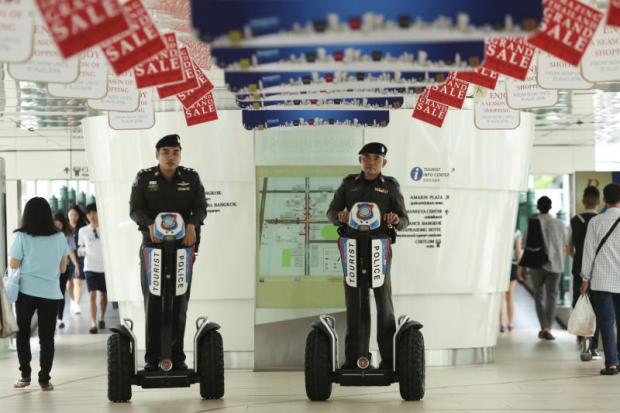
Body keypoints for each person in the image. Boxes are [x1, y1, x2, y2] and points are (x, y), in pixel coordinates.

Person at [326, 142, 409, 369]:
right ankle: (354, 360)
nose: (371, 162)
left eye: (376, 158)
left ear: (384, 162)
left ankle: (389, 361)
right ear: (360, 160)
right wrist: (339, 217)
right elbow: (331, 212)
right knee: (355, 304)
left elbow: (404, 220)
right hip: (352, 247)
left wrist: (395, 220)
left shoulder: (391, 187)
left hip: (379, 248)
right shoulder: (348, 184)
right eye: (367, 158)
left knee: (384, 304)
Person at [129, 134, 207, 371]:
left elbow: (201, 207)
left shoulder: (191, 178)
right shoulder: (143, 179)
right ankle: (153, 360)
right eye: (165, 152)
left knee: (179, 300)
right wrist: (149, 223)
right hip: (153, 249)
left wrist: (192, 223)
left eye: (175, 152)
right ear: (157, 155)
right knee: (153, 300)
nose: (170, 157)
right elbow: (135, 210)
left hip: (183, 248)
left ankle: (177, 357)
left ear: (180, 154)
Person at [10, 197, 69, 391]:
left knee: (23, 333)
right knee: (46, 337)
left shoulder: (22, 237)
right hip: (50, 293)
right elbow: (62, 269)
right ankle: (44, 379)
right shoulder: (59, 237)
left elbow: (14, 264)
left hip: (26, 291)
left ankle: (25, 375)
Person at [580, 183, 620, 375]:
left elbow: (588, 253)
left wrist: (585, 278)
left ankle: (611, 363)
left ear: (604, 200)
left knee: (606, 322)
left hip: (602, 280)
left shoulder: (595, 222)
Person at [519, 196, 566, 340]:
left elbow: (526, 245)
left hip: (537, 264)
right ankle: (548, 328)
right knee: (552, 296)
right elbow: (564, 244)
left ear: (538, 208)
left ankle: (543, 326)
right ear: (550, 207)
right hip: (555, 264)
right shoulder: (560, 223)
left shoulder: (532, 223)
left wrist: (523, 267)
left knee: (538, 295)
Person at [568, 186, 601, 360]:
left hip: (578, 268)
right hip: (597, 269)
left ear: (583, 201)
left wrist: (576, 255)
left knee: (580, 301)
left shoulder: (574, 220)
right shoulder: (600, 220)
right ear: (599, 202)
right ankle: (593, 344)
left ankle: (582, 337)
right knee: (596, 306)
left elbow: (569, 246)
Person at [78, 203, 107, 334]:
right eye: (89, 213)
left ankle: (101, 317)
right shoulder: (83, 231)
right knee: (92, 295)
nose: (91, 216)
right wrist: (82, 251)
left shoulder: (106, 228)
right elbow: (80, 248)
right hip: (89, 267)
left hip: (105, 268)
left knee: (103, 296)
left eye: (94, 212)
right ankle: (93, 323)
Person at [52, 212, 80, 329]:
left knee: (61, 294)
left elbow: (70, 251)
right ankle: (52, 317)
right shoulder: (48, 234)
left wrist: (76, 264)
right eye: (56, 225)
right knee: (52, 295)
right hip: (50, 269)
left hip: (63, 269)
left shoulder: (66, 235)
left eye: (60, 225)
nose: (58, 227)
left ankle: (60, 318)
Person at [500, 228, 522, 332]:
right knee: (510, 295)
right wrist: (522, 267)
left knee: (502, 296)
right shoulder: (516, 232)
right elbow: (518, 252)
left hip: (499, 265)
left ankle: (502, 324)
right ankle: (510, 323)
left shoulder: (498, 228)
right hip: (512, 265)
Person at [66, 205, 86, 314]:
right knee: (69, 284)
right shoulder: (64, 228)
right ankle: (73, 301)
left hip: (79, 258)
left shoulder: (82, 228)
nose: (73, 217)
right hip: (66, 259)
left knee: (77, 281)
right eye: (71, 215)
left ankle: (77, 305)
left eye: (75, 215)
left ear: (79, 216)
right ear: (68, 215)